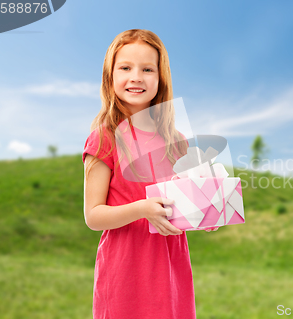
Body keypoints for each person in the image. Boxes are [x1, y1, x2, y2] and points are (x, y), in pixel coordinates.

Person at [82, 29, 214, 319]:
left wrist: (209, 213)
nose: (136, 77)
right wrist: (142, 209)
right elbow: (93, 215)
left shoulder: (176, 140)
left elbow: (187, 202)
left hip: (170, 269)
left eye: (147, 69)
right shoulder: (105, 138)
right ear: (110, 76)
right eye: (125, 68)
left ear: (160, 78)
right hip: (125, 269)